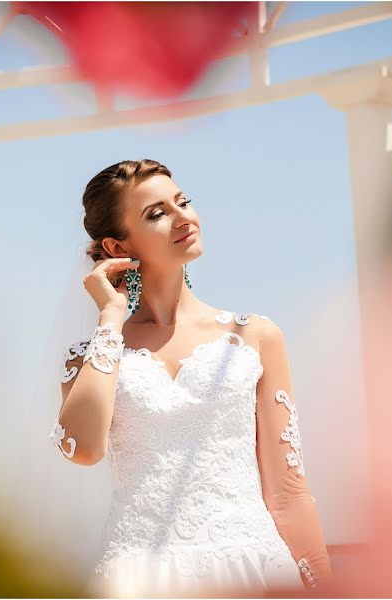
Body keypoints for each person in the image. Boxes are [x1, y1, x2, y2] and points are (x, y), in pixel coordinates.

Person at [49, 159, 334, 597]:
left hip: (253, 570)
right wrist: (110, 320)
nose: (184, 217)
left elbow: (289, 491)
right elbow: (83, 448)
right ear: (116, 244)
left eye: (183, 202)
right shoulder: (91, 357)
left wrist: (324, 586)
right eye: (157, 213)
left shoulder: (254, 336)